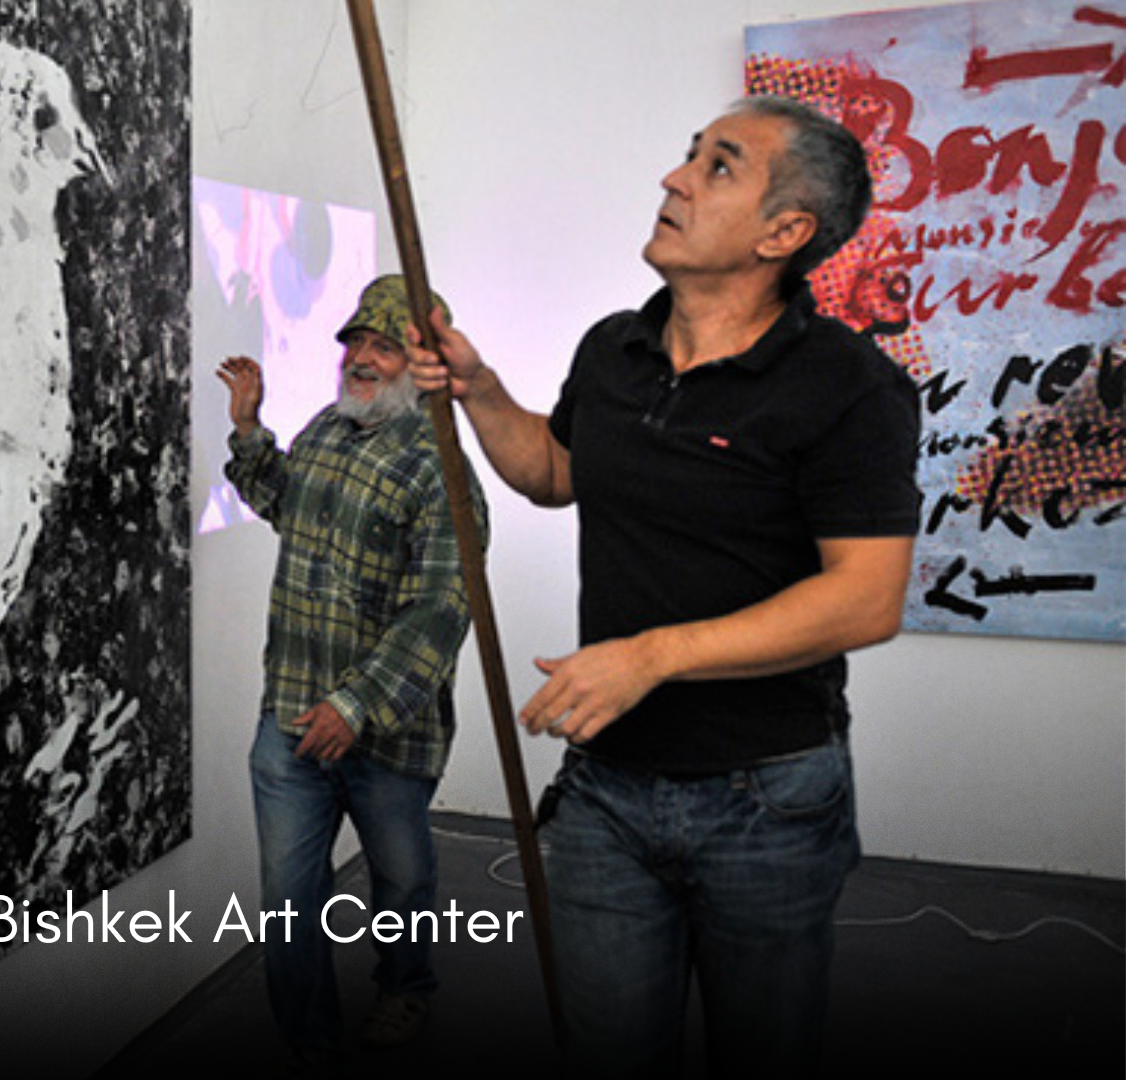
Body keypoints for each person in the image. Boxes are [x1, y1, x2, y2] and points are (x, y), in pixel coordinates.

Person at [409, 96, 920, 1078]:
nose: (675, 178)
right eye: (690, 156)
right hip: (606, 791)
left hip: (765, 800)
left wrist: (652, 657)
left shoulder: (848, 386)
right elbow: (557, 474)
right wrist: (477, 388)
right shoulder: (613, 350)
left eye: (719, 166)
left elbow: (866, 599)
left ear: (786, 232)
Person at [219, 274, 485, 1065]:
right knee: (286, 902)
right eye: (357, 344)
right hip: (292, 718)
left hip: (386, 736)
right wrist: (248, 431)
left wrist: (358, 705)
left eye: (386, 346)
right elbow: (281, 499)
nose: (363, 360)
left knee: (400, 883)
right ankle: (309, 1039)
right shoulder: (329, 431)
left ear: (421, 364)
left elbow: (442, 607)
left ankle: (407, 988)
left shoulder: (441, 468)